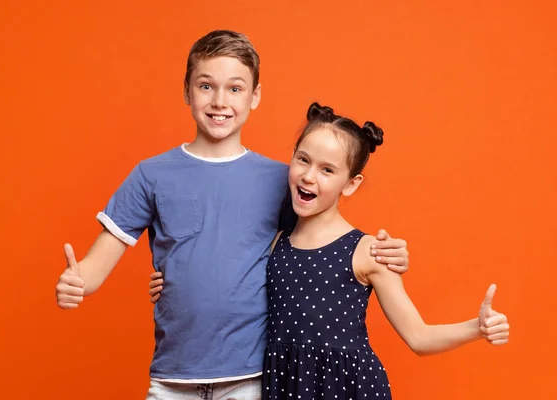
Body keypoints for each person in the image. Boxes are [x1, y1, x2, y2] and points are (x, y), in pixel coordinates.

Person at [55, 30, 410, 399]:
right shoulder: (151, 175)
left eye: (235, 89)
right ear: (186, 91)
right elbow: (96, 266)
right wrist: (77, 281)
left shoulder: (281, 181)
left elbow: (319, 246)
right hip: (172, 377)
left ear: (255, 96)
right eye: (206, 86)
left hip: (251, 378)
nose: (219, 101)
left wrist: (386, 252)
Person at [260, 102, 510, 399]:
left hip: (347, 389)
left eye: (327, 170)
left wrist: (476, 328)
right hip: (286, 384)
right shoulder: (277, 243)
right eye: (303, 160)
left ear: (351, 184)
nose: (309, 176)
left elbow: (419, 337)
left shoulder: (368, 251)